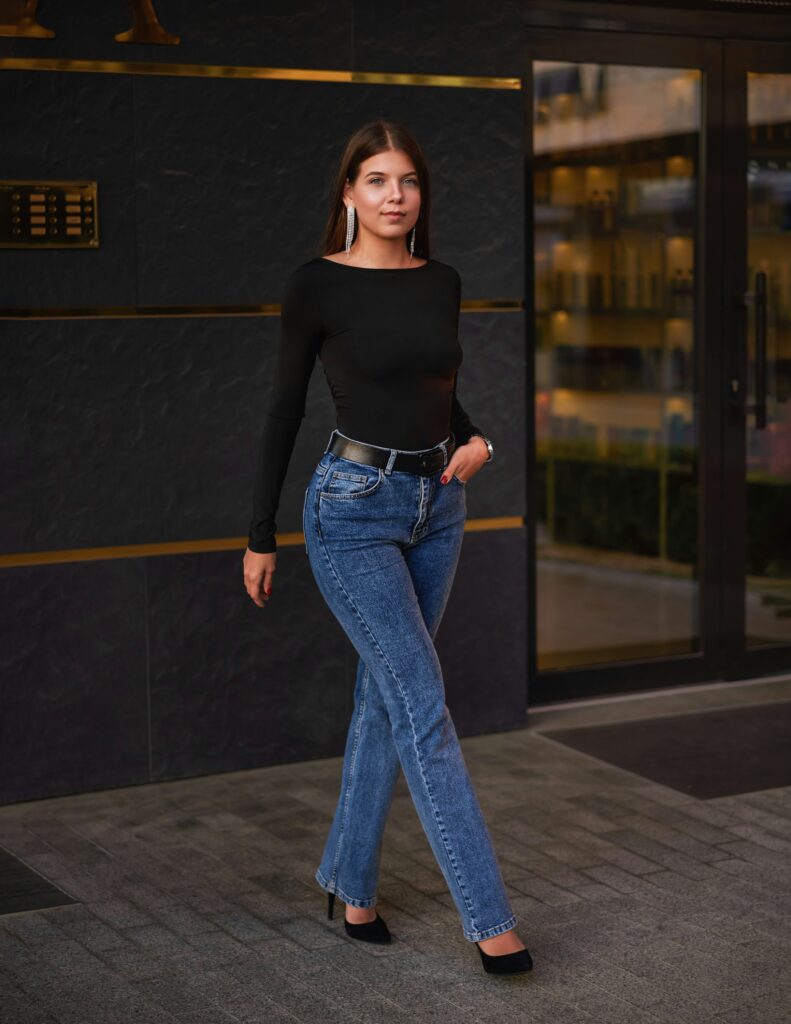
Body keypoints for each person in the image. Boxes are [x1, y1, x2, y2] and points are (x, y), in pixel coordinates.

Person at [243, 120, 532, 975]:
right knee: (422, 705)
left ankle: (349, 882)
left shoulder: (440, 280)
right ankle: (488, 919)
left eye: (406, 181)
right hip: (352, 509)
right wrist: (259, 537)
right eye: (375, 180)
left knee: (385, 700)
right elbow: (284, 411)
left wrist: (478, 442)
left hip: (437, 507)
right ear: (348, 194)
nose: (394, 195)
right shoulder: (315, 286)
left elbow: (435, 390)